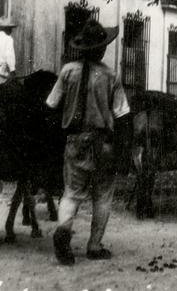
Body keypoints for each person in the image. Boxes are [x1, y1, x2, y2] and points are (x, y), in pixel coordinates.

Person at [45, 18, 130, 265]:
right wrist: (123, 151)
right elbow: (123, 115)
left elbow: (51, 107)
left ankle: (64, 228)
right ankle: (94, 246)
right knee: (102, 196)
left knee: (71, 193)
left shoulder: (67, 71)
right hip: (104, 143)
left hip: (74, 141)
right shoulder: (111, 76)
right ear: (102, 49)